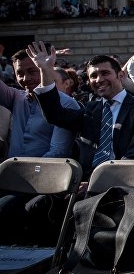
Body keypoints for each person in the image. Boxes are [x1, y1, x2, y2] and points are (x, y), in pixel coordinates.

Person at [29, 42, 134, 179]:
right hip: (82, 183)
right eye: (93, 76)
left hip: (122, 183)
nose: (99, 79)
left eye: (105, 73)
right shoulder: (91, 109)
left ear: (121, 75)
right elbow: (55, 115)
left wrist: (101, 180)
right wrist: (45, 70)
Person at [0, 49, 80, 245]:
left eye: (32, 71)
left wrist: (18, 173)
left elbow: (57, 153)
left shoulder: (67, 105)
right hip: (9, 181)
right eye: (20, 73)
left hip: (43, 184)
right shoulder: (16, 98)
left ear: (46, 70)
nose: (25, 78)